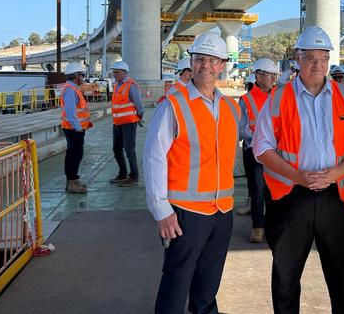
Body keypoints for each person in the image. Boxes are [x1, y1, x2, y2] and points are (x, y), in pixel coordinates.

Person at [252, 26, 344, 314]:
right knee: (285, 278)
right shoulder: (279, 98)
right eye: (310, 58)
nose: (317, 65)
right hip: (292, 198)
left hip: (339, 198)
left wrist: (337, 173)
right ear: (297, 58)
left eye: (323, 58)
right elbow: (261, 148)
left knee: (342, 280)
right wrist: (296, 175)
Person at [144, 31, 240, 313]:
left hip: (222, 211)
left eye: (212, 60)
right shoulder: (174, 105)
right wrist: (161, 209)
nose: (205, 65)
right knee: (177, 282)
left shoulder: (231, 108)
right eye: (199, 59)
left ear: (222, 64)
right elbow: (154, 157)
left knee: (208, 285)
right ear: (191, 62)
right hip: (185, 212)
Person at [236, 58, 278, 243]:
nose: (273, 79)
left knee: (273, 189)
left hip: (276, 152)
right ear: (259, 76)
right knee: (258, 190)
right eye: (271, 75)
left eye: (274, 76)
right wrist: (262, 138)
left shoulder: (278, 95)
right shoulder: (247, 100)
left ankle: (271, 224)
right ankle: (258, 227)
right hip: (254, 151)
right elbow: (241, 129)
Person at [109, 60, 145, 187]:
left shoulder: (131, 85)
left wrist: (139, 117)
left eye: (117, 72)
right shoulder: (117, 84)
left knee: (130, 150)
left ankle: (134, 176)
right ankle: (123, 174)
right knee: (117, 149)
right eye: (114, 72)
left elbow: (139, 106)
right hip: (117, 123)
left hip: (129, 123)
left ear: (124, 72)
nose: (114, 74)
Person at [60, 62, 92, 194]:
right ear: (76, 76)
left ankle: (72, 181)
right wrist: (78, 127)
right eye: (82, 75)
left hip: (73, 128)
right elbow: (70, 111)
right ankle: (72, 183)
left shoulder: (72, 88)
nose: (83, 78)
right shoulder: (70, 89)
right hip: (74, 129)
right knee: (75, 155)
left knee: (74, 155)